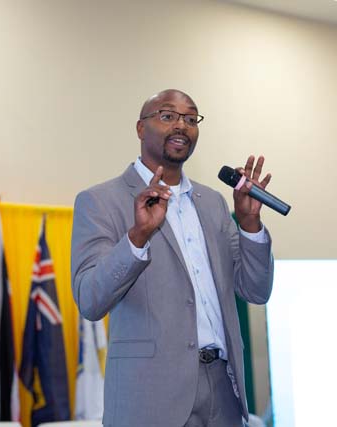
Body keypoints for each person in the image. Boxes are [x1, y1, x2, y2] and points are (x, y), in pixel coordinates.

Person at [71, 89, 274, 427]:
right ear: (140, 128)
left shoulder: (213, 203)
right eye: (168, 116)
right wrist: (137, 237)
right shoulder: (101, 201)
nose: (181, 125)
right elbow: (90, 299)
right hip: (150, 398)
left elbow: (256, 290)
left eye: (191, 119)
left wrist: (250, 224)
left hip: (223, 391)